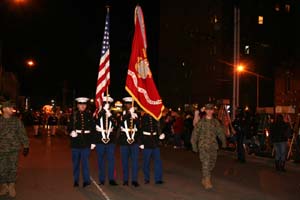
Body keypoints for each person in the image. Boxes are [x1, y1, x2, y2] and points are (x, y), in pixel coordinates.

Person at [190, 103, 226, 190]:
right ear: (205, 111)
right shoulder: (201, 122)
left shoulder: (215, 122)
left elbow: (220, 132)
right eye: (208, 110)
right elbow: (195, 134)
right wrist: (194, 145)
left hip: (213, 146)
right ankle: (207, 181)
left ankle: (205, 177)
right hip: (203, 146)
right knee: (205, 163)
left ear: (213, 111)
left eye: (211, 110)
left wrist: (224, 141)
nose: (209, 111)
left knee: (211, 163)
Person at [0, 100, 29, 198]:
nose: (12, 109)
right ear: (4, 109)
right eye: (10, 108)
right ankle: (4, 186)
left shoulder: (16, 121)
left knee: (13, 168)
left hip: (13, 149)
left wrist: (26, 146)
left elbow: (22, 134)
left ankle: (12, 186)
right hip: (1, 150)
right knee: (2, 168)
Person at [67, 97, 96, 187]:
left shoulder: (89, 115)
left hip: (86, 142)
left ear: (86, 106)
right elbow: (69, 127)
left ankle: (86, 180)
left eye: (84, 104)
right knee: (76, 163)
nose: (82, 106)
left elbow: (93, 129)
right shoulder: (73, 115)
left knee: (85, 163)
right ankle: (76, 180)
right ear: (78, 105)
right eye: (80, 104)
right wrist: (71, 132)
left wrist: (93, 142)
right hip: (76, 142)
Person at [94, 96, 118, 186]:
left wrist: (110, 115)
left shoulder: (113, 113)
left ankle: (112, 179)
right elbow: (95, 121)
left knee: (111, 160)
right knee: (100, 160)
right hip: (100, 139)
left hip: (110, 139)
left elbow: (116, 124)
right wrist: (103, 110)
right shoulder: (98, 112)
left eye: (108, 103)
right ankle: (102, 179)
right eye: (104, 103)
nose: (107, 105)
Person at [118, 97, 140, 187]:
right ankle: (125, 180)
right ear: (125, 105)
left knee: (135, 161)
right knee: (125, 161)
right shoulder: (122, 113)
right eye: (127, 104)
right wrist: (129, 113)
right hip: (124, 140)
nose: (129, 105)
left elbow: (139, 127)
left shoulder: (136, 114)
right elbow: (121, 122)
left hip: (134, 140)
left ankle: (134, 180)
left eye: (130, 103)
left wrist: (136, 119)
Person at [140, 112, 165, 185]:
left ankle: (158, 179)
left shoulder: (156, 117)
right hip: (146, 141)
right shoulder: (144, 117)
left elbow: (159, 127)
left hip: (154, 141)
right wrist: (141, 142)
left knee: (158, 161)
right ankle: (146, 178)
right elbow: (140, 130)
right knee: (146, 162)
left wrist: (160, 135)